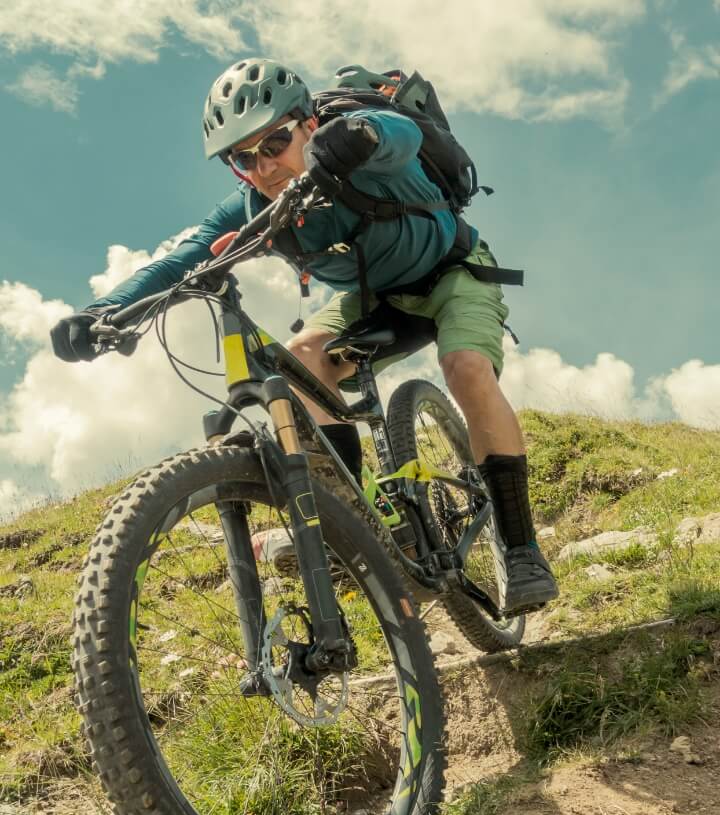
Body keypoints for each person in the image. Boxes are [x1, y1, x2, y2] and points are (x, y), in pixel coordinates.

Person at [50, 58, 558, 615]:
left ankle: (521, 548)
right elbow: (184, 257)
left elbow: (403, 136)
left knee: (464, 367)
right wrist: (105, 311)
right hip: (375, 299)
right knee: (300, 361)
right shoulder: (254, 205)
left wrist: (360, 133)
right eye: (242, 158)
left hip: (455, 272)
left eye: (275, 143)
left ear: (308, 124)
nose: (263, 167)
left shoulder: (355, 140)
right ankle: (353, 521)